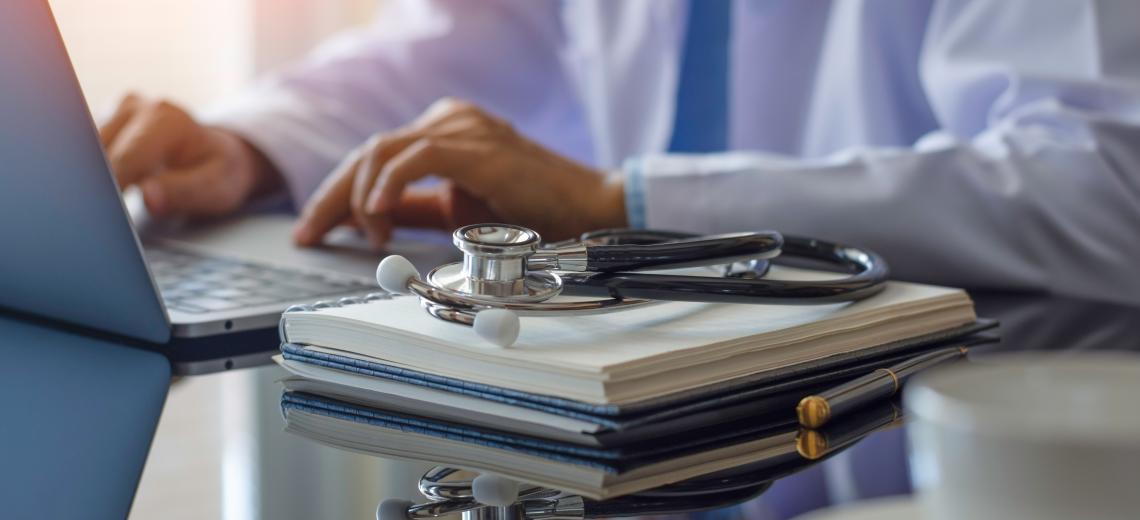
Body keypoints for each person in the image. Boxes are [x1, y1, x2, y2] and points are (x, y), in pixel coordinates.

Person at [100, 0, 1140, 306]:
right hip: (637, 411)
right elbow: (479, 31)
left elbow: (1102, 181)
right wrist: (250, 143)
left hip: (933, 437)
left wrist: (622, 197)